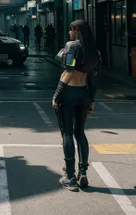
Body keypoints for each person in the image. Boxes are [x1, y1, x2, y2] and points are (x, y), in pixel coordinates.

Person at [52, 20, 98, 191]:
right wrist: (91, 99)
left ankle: (70, 177)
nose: (70, 32)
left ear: (77, 31)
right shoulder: (94, 51)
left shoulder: (72, 46)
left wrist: (57, 95)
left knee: (67, 134)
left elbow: (68, 71)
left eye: (72, 29)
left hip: (70, 93)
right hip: (84, 94)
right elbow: (93, 78)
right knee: (80, 133)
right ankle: (83, 173)